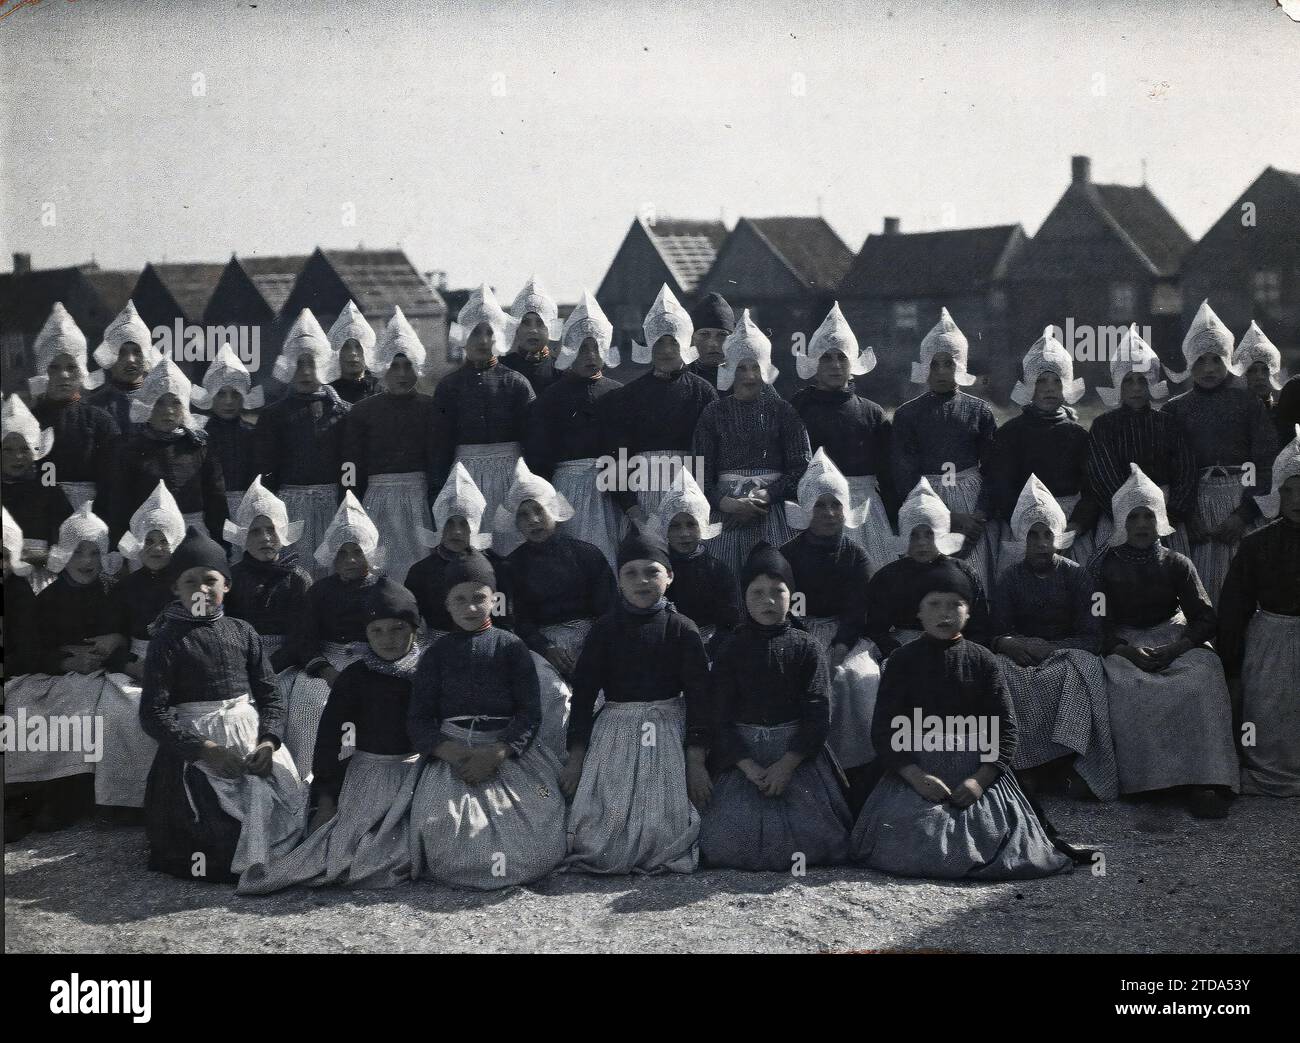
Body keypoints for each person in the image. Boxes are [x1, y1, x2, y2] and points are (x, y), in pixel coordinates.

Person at [849, 562, 1072, 880]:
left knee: (997, 840)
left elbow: (1005, 729)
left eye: (955, 605)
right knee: (908, 837)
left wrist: (979, 781)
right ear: (919, 612)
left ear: (968, 613)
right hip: (918, 766)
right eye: (934, 604)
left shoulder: (983, 661)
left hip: (973, 767)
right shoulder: (902, 661)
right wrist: (914, 777)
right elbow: (884, 729)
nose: (944, 614)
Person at [139, 527, 307, 883]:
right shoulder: (167, 640)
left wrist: (268, 741)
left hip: (249, 737)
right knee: (216, 837)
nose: (202, 589)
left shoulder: (243, 631)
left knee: (285, 816)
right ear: (175, 588)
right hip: (199, 744)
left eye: (210, 580)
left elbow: (271, 696)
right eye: (190, 581)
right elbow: (152, 714)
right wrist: (205, 750)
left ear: (226, 586)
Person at [237, 582, 423, 894]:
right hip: (370, 772)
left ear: (414, 630)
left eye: (398, 629)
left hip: (417, 773)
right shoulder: (355, 677)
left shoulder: (426, 672)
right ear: (366, 633)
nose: (388, 639)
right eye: (377, 631)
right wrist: (327, 798)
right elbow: (331, 741)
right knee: (356, 848)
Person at [408, 550, 566, 890]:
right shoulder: (435, 654)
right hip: (455, 755)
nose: (470, 608)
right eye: (460, 600)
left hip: (505, 753)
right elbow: (419, 719)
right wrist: (451, 752)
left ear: (494, 600)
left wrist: (496, 753)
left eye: (479, 598)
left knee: (535, 835)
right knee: (448, 831)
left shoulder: (511, 647)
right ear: (447, 604)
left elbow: (529, 712)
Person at [561, 528, 711, 874]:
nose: (642, 581)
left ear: (670, 576)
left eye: (652, 571)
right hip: (616, 730)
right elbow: (583, 695)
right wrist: (576, 757)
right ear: (618, 581)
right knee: (601, 830)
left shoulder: (682, 629)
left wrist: (696, 761)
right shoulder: (604, 629)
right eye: (631, 573)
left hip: (667, 728)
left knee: (664, 822)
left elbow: (701, 698)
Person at [1092, 464, 1238, 818]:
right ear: (1121, 522)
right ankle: (1146, 781)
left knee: (1204, 675)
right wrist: (1126, 650)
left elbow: (1205, 617)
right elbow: (1094, 621)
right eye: (1133, 516)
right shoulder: (1102, 566)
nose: (1142, 524)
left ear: (1160, 518)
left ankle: (1206, 780)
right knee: (1128, 685)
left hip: (1173, 637)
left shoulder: (1178, 563)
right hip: (1125, 643)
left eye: (1149, 516)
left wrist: (1176, 648)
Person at [697, 542, 852, 870]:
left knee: (816, 841)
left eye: (777, 592)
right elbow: (719, 717)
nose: (768, 601)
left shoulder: (807, 647)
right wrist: (749, 767)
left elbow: (818, 713)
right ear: (744, 597)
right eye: (757, 593)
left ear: (792, 596)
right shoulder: (730, 648)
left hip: (795, 755)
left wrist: (786, 765)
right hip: (743, 757)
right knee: (722, 843)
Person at [991, 475, 1117, 801]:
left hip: (1065, 652)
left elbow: (1093, 635)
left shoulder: (1077, 575)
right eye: (1033, 535)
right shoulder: (1009, 578)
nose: (1041, 543)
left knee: (1078, 672)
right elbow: (997, 629)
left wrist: (1053, 648)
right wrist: (1010, 643)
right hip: (1022, 656)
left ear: (1058, 537)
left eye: (1048, 534)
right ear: (1022, 539)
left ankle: (1065, 764)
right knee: (1005, 674)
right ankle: (1025, 766)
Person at [2, 502, 125, 833]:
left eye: (95, 553)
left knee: (82, 706)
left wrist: (117, 639)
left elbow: (127, 629)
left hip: (101, 670)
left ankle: (66, 796)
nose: (86, 562)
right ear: (65, 554)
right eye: (78, 553)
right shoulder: (48, 599)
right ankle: (25, 794)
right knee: (22, 705)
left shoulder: (113, 591)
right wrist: (65, 661)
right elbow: (31, 649)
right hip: (57, 668)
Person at [496, 458, 615, 755]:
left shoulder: (587, 555)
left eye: (539, 510)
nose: (534, 520)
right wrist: (546, 648)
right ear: (516, 523)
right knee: (551, 692)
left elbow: (608, 611)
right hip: (542, 648)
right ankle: (561, 763)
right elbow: (517, 620)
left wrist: (591, 647)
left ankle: (599, 758)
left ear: (554, 510)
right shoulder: (511, 566)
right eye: (524, 515)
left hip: (592, 642)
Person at [1165, 300, 1278, 605]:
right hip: (1196, 509)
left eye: (1216, 360)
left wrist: (1243, 515)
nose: (1209, 369)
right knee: (1202, 591)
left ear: (1227, 360)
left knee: (1246, 591)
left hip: (1242, 504)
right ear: (1190, 363)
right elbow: (1172, 467)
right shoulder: (1175, 410)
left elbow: (1264, 462)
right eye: (1201, 361)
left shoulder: (1248, 405)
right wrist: (1189, 515)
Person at [780, 447, 880, 788]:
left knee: (858, 675)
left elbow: (857, 610)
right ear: (806, 508)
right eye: (819, 504)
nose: (827, 512)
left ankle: (855, 767)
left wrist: (837, 649)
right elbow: (788, 609)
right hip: (799, 632)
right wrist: (808, 646)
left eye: (835, 504)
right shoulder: (787, 555)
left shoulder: (856, 556)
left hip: (842, 636)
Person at [693, 309, 811, 582]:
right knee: (727, 578)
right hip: (726, 512)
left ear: (766, 369)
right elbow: (700, 472)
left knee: (773, 576)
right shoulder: (713, 413)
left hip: (772, 511)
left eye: (755, 366)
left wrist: (766, 496)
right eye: (741, 367)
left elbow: (800, 467)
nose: (748, 376)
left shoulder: (784, 412)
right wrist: (728, 504)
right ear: (729, 369)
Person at [891, 308, 999, 593]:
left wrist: (978, 515)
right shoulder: (907, 415)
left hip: (972, 502)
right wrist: (949, 518)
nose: (941, 372)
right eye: (934, 364)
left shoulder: (980, 411)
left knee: (972, 578)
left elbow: (993, 468)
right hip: (928, 499)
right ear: (925, 366)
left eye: (948, 364)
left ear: (960, 366)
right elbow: (904, 476)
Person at [1218, 425, 1300, 796]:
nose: (1297, 498)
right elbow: (1235, 606)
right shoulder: (1257, 544)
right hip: (1272, 638)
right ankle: (1268, 764)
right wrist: (1231, 663)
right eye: (1289, 490)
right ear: (1277, 494)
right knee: (1268, 713)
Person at [100, 481, 188, 812]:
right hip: (135, 662)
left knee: (171, 713)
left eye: (162, 541)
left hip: (175, 664)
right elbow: (113, 634)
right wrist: (126, 663)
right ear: (138, 544)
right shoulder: (127, 586)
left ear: (174, 544)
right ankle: (126, 801)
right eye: (148, 541)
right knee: (119, 711)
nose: (155, 548)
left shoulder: (184, 583)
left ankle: (166, 799)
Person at [283, 492, 385, 776]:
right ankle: (310, 783)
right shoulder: (320, 591)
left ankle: (357, 782)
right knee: (311, 706)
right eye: (342, 553)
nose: (351, 559)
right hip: (326, 664)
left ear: (369, 552)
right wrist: (327, 671)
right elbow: (305, 639)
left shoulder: (384, 590)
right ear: (332, 556)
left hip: (370, 663)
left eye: (357, 551)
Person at [789, 302, 895, 572]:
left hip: (864, 510)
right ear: (814, 361)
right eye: (826, 357)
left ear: (853, 363)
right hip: (814, 510)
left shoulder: (872, 413)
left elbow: (888, 473)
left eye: (842, 357)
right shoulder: (798, 408)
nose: (835, 365)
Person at [524, 291, 624, 571]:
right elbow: (539, 457)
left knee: (610, 554)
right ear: (569, 350)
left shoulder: (618, 393)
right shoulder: (551, 398)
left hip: (610, 488)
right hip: (567, 488)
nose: (590, 356)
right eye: (582, 348)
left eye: (596, 348)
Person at [991, 328, 1098, 573]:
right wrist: (1025, 525)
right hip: (1024, 527)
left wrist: (1076, 526)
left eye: (1056, 381)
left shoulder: (1079, 435)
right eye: (1041, 381)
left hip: (1070, 526)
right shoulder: (1011, 434)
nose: (1049, 388)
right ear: (1029, 385)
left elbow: (1092, 488)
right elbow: (1002, 487)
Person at [606, 285, 718, 520]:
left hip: (692, 488)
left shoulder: (703, 392)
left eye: (674, 343)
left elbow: (713, 455)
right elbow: (617, 458)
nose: (666, 351)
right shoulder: (629, 395)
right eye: (659, 343)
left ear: (685, 344)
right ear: (650, 345)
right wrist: (633, 510)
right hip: (643, 491)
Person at [342, 306, 435, 586]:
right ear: (383, 366)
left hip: (417, 499)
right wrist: (351, 503)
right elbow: (350, 465)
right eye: (395, 365)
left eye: (408, 365)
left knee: (419, 564)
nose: (402, 373)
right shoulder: (362, 412)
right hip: (377, 499)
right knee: (377, 566)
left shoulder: (430, 408)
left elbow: (437, 461)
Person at [1087, 323, 1197, 557]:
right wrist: (1127, 515)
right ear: (1118, 384)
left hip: (1165, 516)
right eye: (1128, 381)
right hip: (1118, 516)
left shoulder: (1168, 423)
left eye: (1142, 380)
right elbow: (1102, 475)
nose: (1136, 388)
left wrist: (1170, 514)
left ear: (1152, 382)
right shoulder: (1104, 426)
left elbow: (1185, 470)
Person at [256, 308, 350, 579]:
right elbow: (267, 468)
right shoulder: (274, 414)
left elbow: (349, 463)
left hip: (332, 501)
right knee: (295, 572)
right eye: (298, 364)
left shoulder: (342, 411)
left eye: (311, 363)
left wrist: (345, 496)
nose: (305, 371)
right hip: (290, 504)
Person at [864, 478, 992, 653]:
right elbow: (875, 630)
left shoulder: (964, 573)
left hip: (953, 646)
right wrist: (897, 650)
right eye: (914, 535)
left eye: (929, 535)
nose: (922, 543)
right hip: (904, 650)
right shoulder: (888, 576)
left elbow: (980, 628)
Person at [109, 358, 227, 544]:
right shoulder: (130, 450)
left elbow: (216, 501)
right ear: (148, 405)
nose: (168, 411)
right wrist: (122, 548)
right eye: (160, 402)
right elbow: (119, 505)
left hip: (193, 534)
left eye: (175, 403)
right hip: (147, 538)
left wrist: (220, 544)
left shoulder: (199, 446)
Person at [27, 302, 118, 511]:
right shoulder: (31, 421)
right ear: (43, 371)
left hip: (90, 516)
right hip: (41, 514)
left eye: (71, 367)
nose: (63, 375)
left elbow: (111, 482)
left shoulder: (100, 422)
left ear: (82, 371)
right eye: (54, 367)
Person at [405, 462, 506, 645]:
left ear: (474, 527)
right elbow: (411, 622)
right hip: (436, 647)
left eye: (464, 524)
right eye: (450, 523)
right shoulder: (420, 572)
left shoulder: (496, 567)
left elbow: (504, 618)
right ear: (440, 525)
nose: (457, 532)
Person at [646, 468, 738, 661]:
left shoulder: (717, 570)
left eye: (691, 524)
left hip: (708, 648)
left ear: (702, 525)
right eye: (675, 526)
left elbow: (729, 622)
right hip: (667, 646)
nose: (684, 533)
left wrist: (708, 650)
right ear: (665, 530)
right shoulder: (659, 569)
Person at [1, 393, 71, 586]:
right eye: (8, 450)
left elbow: (67, 535)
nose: (17, 457)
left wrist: (43, 555)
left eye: (24, 450)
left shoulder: (46, 488)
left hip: (38, 574)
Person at [201, 342, 264, 520]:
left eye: (235, 394)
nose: (229, 401)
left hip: (247, 509)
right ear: (211, 396)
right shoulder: (201, 435)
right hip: (211, 510)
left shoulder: (251, 434)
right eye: (221, 394)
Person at [86, 301, 164, 433]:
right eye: (121, 353)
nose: (130, 360)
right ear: (110, 357)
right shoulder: (95, 406)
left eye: (137, 352)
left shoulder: (160, 403)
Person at [504, 275, 560, 395]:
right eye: (526, 323)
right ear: (516, 328)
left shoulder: (561, 371)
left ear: (550, 328)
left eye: (540, 323)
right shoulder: (502, 369)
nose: (533, 330)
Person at [1233, 321, 1284, 426]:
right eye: (1252, 370)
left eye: (1266, 370)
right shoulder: (1234, 419)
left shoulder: (1286, 417)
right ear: (1244, 375)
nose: (1259, 377)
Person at [328, 301, 380, 404]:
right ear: (337, 353)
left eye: (358, 347)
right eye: (346, 347)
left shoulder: (379, 390)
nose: (353, 353)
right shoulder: (329, 393)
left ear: (367, 352)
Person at [685, 292, 735, 392]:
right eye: (704, 334)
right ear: (692, 338)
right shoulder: (681, 381)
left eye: (722, 335)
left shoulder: (747, 379)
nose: (713, 343)